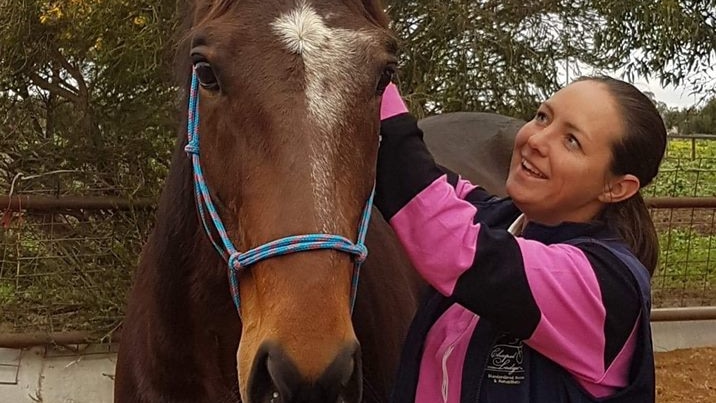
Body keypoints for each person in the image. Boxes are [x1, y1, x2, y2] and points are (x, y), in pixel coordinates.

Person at [376, 76, 665, 403]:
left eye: (571, 141)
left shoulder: (605, 284)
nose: (537, 140)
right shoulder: (495, 217)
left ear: (616, 188)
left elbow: (449, 242)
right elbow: (415, 178)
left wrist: (375, 76)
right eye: (543, 117)